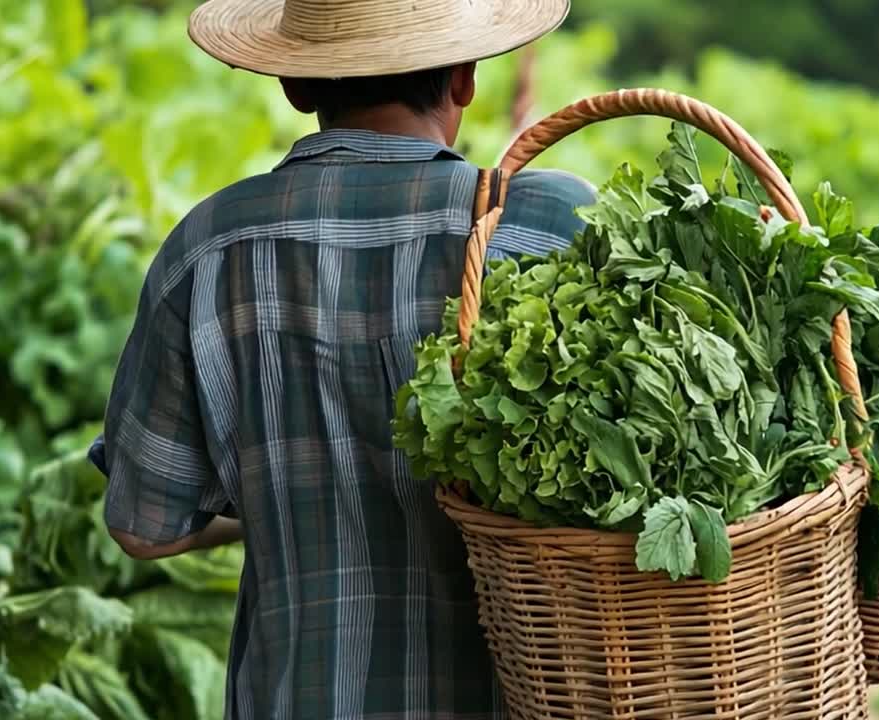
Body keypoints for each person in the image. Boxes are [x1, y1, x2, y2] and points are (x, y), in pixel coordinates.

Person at [88, 0, 594, 718]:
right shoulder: (545, 227)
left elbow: (142, 528)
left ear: (296, 85)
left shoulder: (205, 248)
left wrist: (277, 500)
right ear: (465, 77)